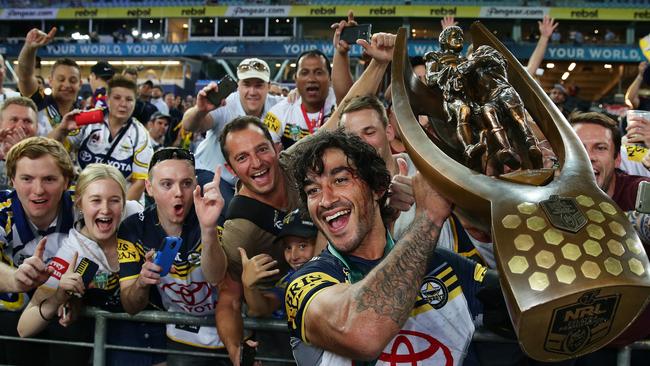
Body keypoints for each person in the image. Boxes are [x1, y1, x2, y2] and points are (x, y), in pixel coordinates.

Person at [286, 129, 492, 365]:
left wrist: (478, 210)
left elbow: (533, 308)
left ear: (377, 188)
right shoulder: (305, 283)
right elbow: (362, 332)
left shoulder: (442, 265)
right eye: (313, 190)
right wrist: (429, 218)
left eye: (341, 180)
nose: (326, 200)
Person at [118, 147, 228, 366]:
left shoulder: (213, 213)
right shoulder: (132, 229)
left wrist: (208, 230)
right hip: (180, 337)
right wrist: (141, 282)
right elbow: (130, 306)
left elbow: (216, 276)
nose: (178, 192)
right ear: (149, 188)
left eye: (186, 183)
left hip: (230, 329)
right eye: (167, 184)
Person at [209, 116, 301, 364]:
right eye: (242, 157)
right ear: (231, 169)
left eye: (262, 149)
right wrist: (237, 352)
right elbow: (229, 299)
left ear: (277, 148)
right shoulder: (240, 231)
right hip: (277, 336)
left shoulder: (297, 162)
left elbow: (343, 114)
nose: (257, 162)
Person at [0, 136, 79, 365]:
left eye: (49, 179)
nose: (38, 190)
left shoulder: (83, 208)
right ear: (12, 180)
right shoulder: (3, 211)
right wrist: (16, 279)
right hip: (11, 320)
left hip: (68, 319)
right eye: (27, 178)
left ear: (66, 182)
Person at [182, 57, 282, 211]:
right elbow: (190, 125)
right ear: (238, 86)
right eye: (247, 84)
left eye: (259, 85)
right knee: (233, 211)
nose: (252, 92)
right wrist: (199, 110)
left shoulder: (278, 106)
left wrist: (297, 94)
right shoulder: (225, 103)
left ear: (269, 86)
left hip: (247, 179)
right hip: (212, 173)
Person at [49, 75, 153, 201]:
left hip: (120, 202)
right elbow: (51, 149)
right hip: (83, 199)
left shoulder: (140, 134)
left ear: (135, 103)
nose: (123, 104)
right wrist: (62, 129)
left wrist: (120, 212)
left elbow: (140, 182)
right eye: (117, 98)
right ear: (108, 99)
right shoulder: (88, 119)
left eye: (129, 99)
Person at [240, 208, 317, 318]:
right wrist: (249, 286)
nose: (294, 256)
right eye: (288, 247)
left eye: (302, 246)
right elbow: (262, 309)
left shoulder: (340, 272)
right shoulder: (291, 280)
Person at [264, 49, 336, 149]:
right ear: (296, 79)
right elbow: (269, 154)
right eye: (304, 73)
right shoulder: (278, 113)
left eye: (319, 72)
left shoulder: (340, 104)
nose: (311, 79)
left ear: (330, 77)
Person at [17, 27, 82, 136]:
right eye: (61, 79)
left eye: (73, 80)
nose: (66, 85)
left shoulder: (83, 114)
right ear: (50, 81)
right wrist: (29, 48)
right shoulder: (39, 100)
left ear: (80, 84)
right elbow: (25, 76)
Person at [0, 97, 39, 189]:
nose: (20, 126)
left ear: (36, 127)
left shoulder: (47, 157)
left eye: (27, 121)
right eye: (14, 119)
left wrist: (21, 153)